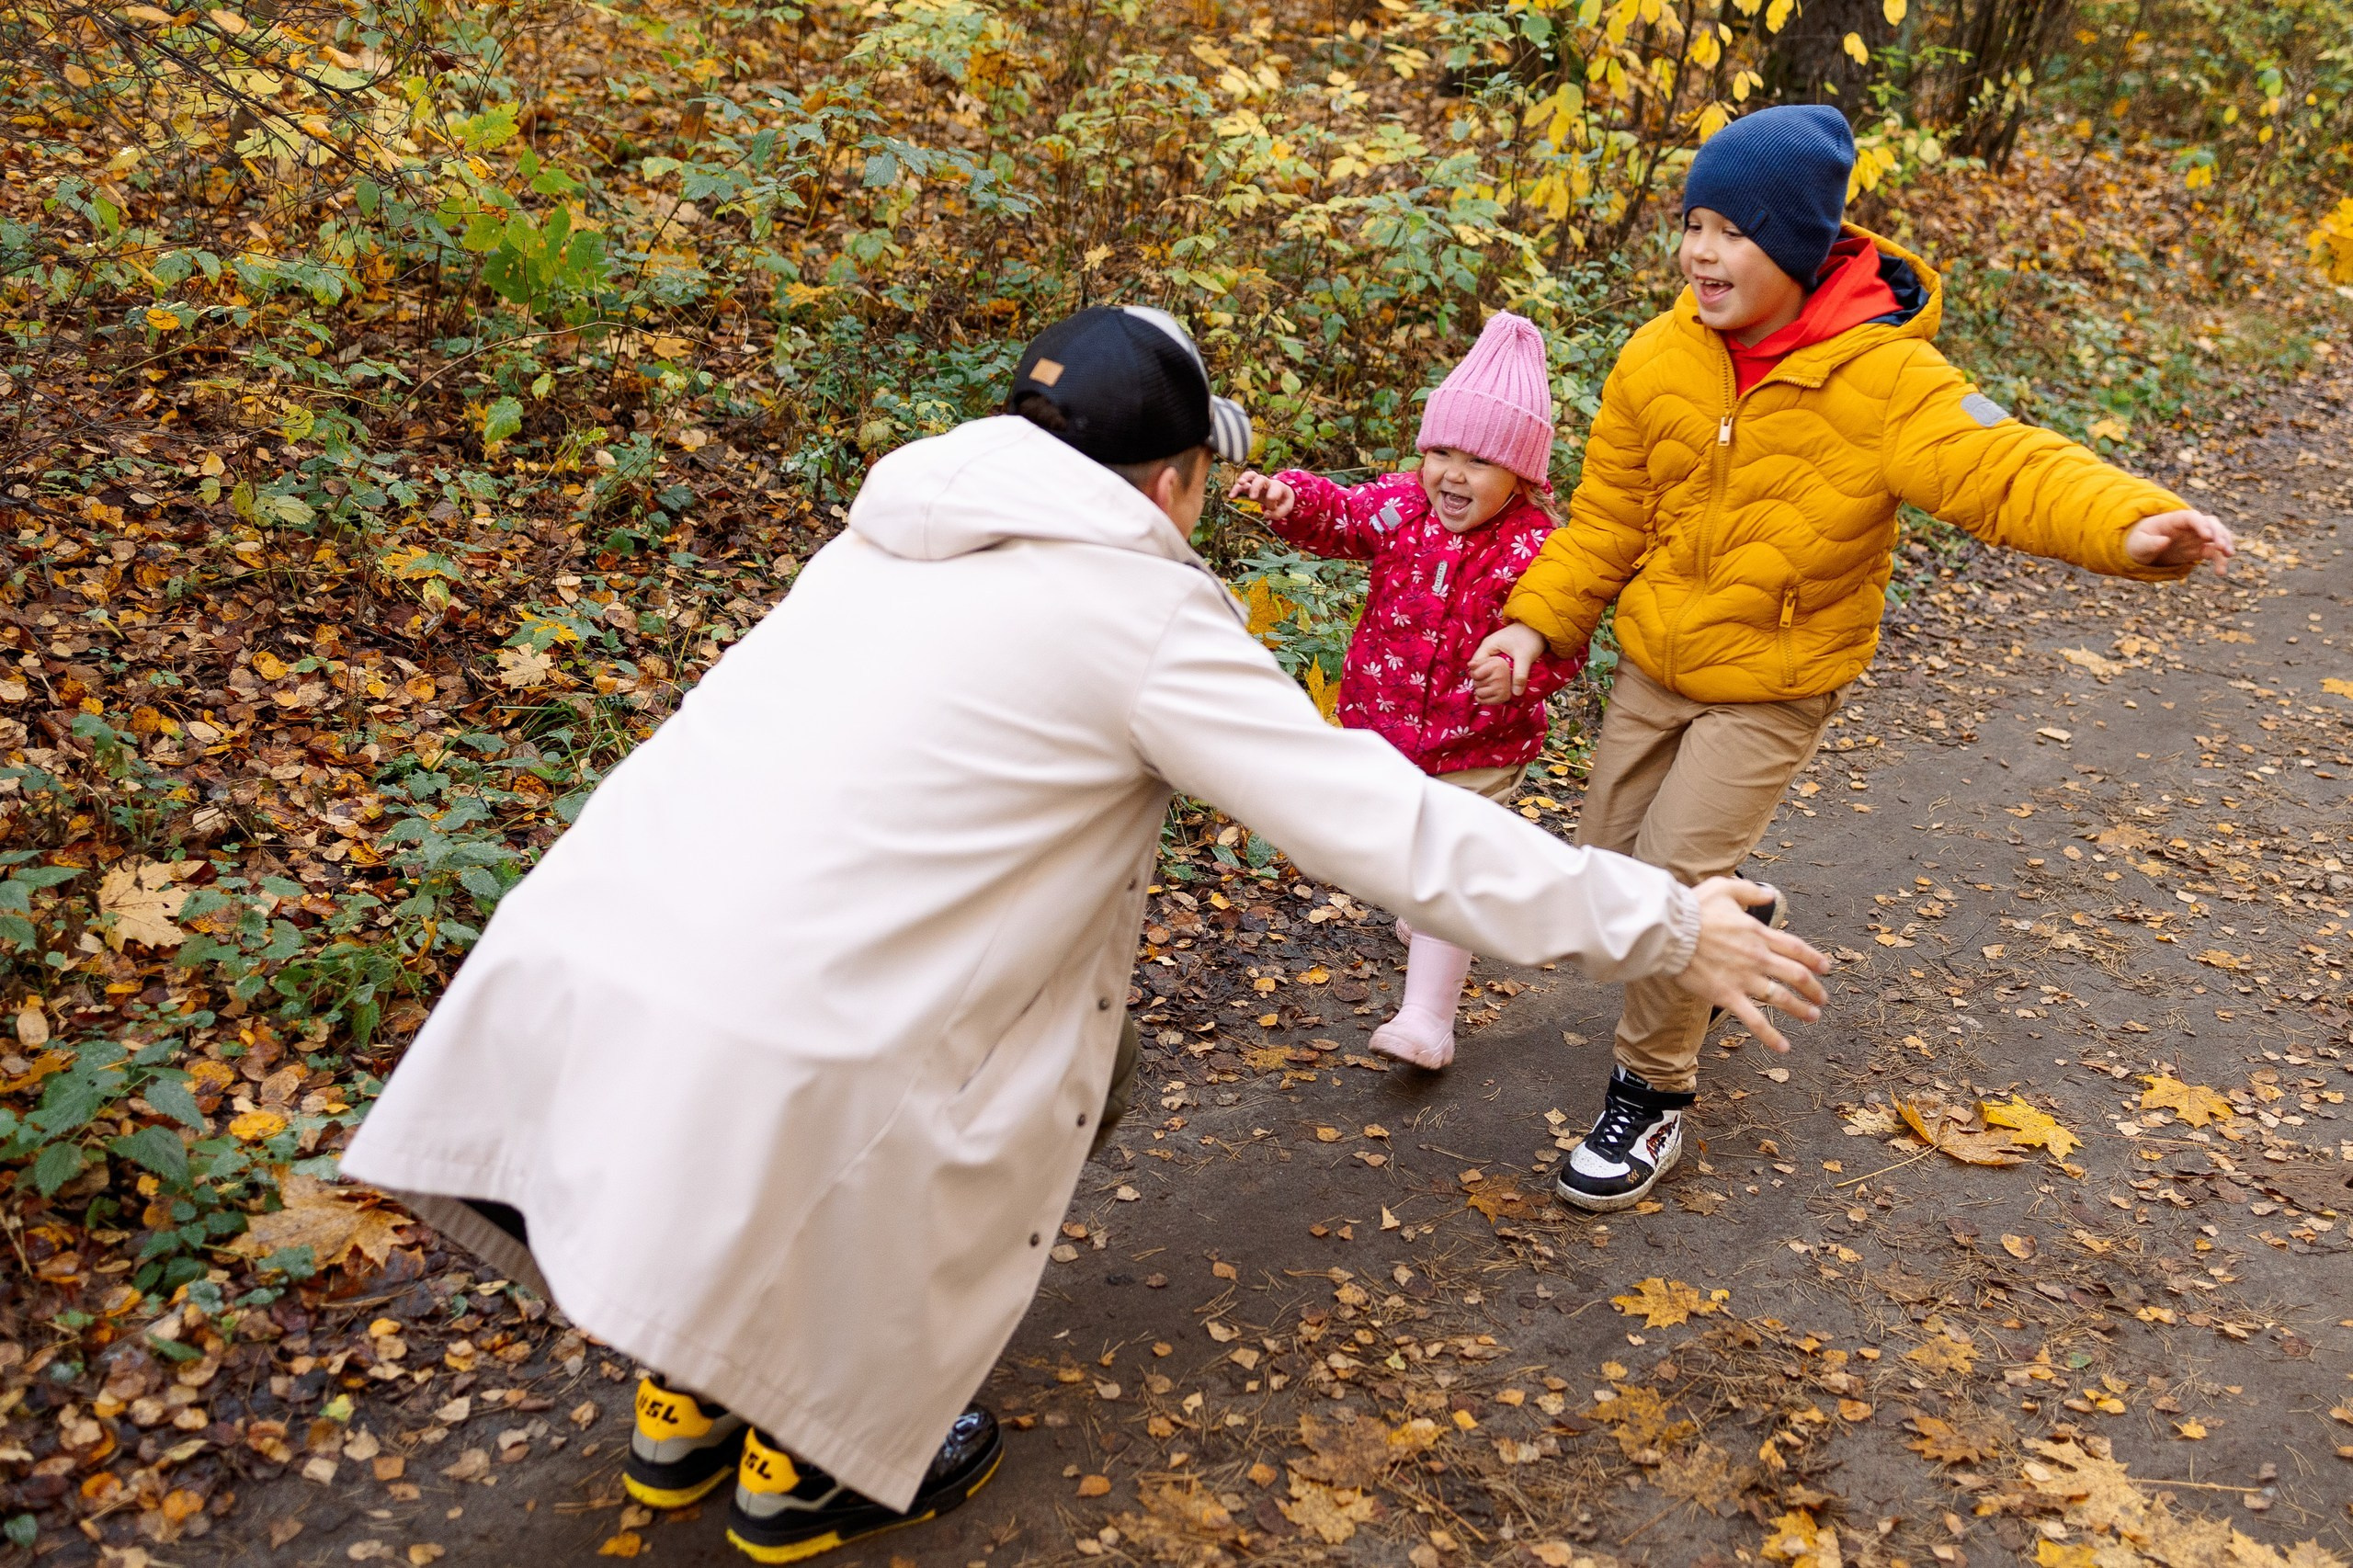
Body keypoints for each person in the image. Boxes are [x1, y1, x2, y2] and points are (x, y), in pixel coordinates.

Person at [340, 304, 1832, 1563]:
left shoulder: (884, 538)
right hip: (807, 1020)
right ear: (1174, 481)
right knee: (934, 1113)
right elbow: (1392, 822)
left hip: (606, 946)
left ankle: (683, 1411)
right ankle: (815, 1464)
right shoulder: (1136, 614)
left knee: (778, 1091)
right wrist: (1657, 921)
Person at [1471, 104, 2236, 1214]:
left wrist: (2130, 522)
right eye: (1692, 222)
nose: (1699, 250)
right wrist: (1534, 622)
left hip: (1776, 682)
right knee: (1613, 875)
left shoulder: (1884, 379)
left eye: (1731, 229)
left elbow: (2000, 461)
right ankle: (1740, 918)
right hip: (1654, 667)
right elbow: (1604, 521)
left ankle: (1649, 1092)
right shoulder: (1658, 354)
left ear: (1790, 243)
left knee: (1677, 883)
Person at [1225, 311, 1580, 1069]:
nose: (1452, 473)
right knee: (1406, 855)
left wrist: (1518, 670)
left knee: (1447, 868)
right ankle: (1427, 913)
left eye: (1478, 460)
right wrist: (1290, 499)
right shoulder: (1403, 509)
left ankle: (1427, 1020)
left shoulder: (1536, 546)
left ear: (1522, 474)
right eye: (1440, 450)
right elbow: (1345, 516)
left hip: (1477, 742)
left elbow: (1563, 636)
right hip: (1384, 729)